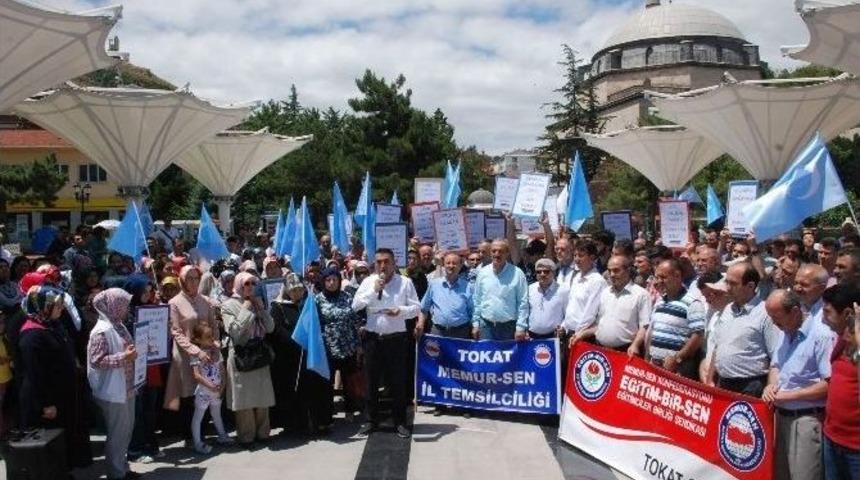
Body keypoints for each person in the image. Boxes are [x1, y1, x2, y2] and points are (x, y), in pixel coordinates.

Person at [17, 285, 91, 473]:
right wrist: (46, 404)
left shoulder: (52, 325)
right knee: (49, 441)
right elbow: (35, 374)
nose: (61, 309)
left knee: (63, 438)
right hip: (46, 400)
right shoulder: (32, 335)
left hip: (62, 394)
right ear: (43, 307)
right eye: (56, 306)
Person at [763, 289, 832, 480]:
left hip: (806, 420)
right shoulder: (785, 332)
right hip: (781, 417)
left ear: (794, 311)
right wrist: (771, 386)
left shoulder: (821, 336)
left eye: (776, 317)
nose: (772, 322)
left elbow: (829, 384)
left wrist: (788, 396)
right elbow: (776, 365)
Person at [351, 248, 421, 438]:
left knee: (397, 382)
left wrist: (401, 311)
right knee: (371, 382)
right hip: (373, 339)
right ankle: (371, 421)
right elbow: (356, 305)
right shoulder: (367, 282)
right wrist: (373, 292)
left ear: (394, 263)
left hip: (396, 339)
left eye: (386, 261)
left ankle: (400, 421)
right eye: (379, 262)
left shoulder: (405, 282)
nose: (383, 265)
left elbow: (416, 308)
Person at [86, 288, 141, 480]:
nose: (126, 309)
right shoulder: (101, 331)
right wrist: (124, 357)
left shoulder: (118, 325)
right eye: (123, 305)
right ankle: (116, 473)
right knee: (117, 433)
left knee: (126, 431)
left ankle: (122, 468)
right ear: (113, 306)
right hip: (113, 390)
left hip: (126, 387)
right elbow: (97, 360)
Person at [164, 265, 218, 447]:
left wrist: (215, 346)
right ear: (182, 280)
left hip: (207, 354)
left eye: (196, 278)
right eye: (190, 279)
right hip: (186, 355)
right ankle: (190, 435)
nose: (194, 282)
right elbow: (176, 332)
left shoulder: (205, 301)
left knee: (205, 391)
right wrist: (195, 351)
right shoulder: (174, 303)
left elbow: (214, 326)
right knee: (188, 394)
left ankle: (202, 431)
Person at [709, 263, 782, 397]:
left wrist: (771, 386)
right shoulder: (727, 310)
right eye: (727, 282)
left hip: (751, 386)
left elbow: (776, 356)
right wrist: (710, 380)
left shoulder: (765, 313)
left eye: (733, 284)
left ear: (750, 286)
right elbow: (717, 347)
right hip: (723, 383)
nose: (727, 288)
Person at [222, 271, 275, 446]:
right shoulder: (228, 305)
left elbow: (270, 328)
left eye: (253, 284)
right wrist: (246, 309)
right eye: (247, 284)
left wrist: (261, 311)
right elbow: (235, 332)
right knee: (243, 397)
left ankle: (263, 433)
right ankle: (246, 436)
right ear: (239, 285)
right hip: (241, 354)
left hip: (259, 353)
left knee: (262, 395)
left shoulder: (258, 301)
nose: (251, 288)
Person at [820, 283, 860, 479]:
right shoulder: (840, 338)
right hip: (832, 438)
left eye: (827, 312)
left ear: (847, 314)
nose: (822, 318)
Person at [576, 256, 651, 356]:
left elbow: (645, 327)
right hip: (600, 351)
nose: (611, 275)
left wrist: (635, 345)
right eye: (609, 270)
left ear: (628, 270)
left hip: (625, 352)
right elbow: (600, 325)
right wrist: (583, 334)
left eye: (616, 270)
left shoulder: (641, 294)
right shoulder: (605, 292)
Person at [316, 267, 363, 424]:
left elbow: (355, 320)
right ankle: (327, 413)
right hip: (328, 346)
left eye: (334, 280)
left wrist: (358, 345)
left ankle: (350, 409)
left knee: (349, 381)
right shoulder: (318, 299)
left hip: (347, 345)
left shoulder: (347, 297)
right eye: (328, 280)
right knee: (326, 383)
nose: (331, 283)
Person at [646, 259, 705, 379]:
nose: (658, 281)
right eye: (657, 277)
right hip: (654, 366)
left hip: (678, 370)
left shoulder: (692, 303)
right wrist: (647, 358)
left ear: (677, 276)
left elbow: (698, 336)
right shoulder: (660, 302)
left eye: (663, 277)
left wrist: (677, 359)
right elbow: (652, 332)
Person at [267, 273, 307, 433]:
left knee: (303, 390)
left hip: (303, 354)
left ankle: (303, 422)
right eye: (293, 290)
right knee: (286, 389)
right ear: (287, 290)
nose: (297, 293)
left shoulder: (306, 305)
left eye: (299, 289)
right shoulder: (277, 306)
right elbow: (276, 330)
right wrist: (294, 341)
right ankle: (288, 424)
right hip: (285, 355)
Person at [471, 239, 529, 341]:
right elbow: (477, 300)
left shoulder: (517, 273)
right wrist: (476, 324)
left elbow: (523, 302)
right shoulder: (482, 273)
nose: (497, 254)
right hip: (486, 327)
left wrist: (521, 327)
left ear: (507, 253)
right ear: (490, 253)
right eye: (494, 251)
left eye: (500, 251)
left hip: (508, 328)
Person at [189, 322, 233, 453]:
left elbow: (222, 370)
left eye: (212, 336)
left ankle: (222, 435)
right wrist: (209, 385)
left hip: (217, 390)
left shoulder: (216, 352)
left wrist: (222, 386)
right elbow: (196, 375)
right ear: (197, 339)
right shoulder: (195, 354)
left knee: (217, 414)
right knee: (198, 417)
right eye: (208, 336)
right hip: (204, 391)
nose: (211, 339)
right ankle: (197, 442)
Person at [416, 253, 473, 340]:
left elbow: (472, 311)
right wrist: (420, 324)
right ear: (443, 265)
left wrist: (475, 327)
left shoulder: (467, 286)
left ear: (461, 265)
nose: (451, 266)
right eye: (448, 263)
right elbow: (424, 309)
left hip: (461, 332)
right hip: (438, 331)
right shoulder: (434, 284)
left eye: (454, 263)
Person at [561, 240, 607, 338]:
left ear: (592, 258)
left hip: (583, 336)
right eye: (575, 255)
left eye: (581, 255)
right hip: (569, 332)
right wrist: (564, 326)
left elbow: (590, 313)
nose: (577, 259)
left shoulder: (597, 281)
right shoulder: (576, 277)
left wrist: (578, 333)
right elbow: (572, 305)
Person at [525, 258, 569, 340]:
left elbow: (568, 315)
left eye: (546, 271)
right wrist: (524, 329)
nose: (542, 274)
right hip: (531, 337)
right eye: (539, 272)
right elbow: (525, 312)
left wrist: (563, 327)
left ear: (553, 273)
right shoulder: (529, 289)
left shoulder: (563, 290)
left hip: (554, 337)